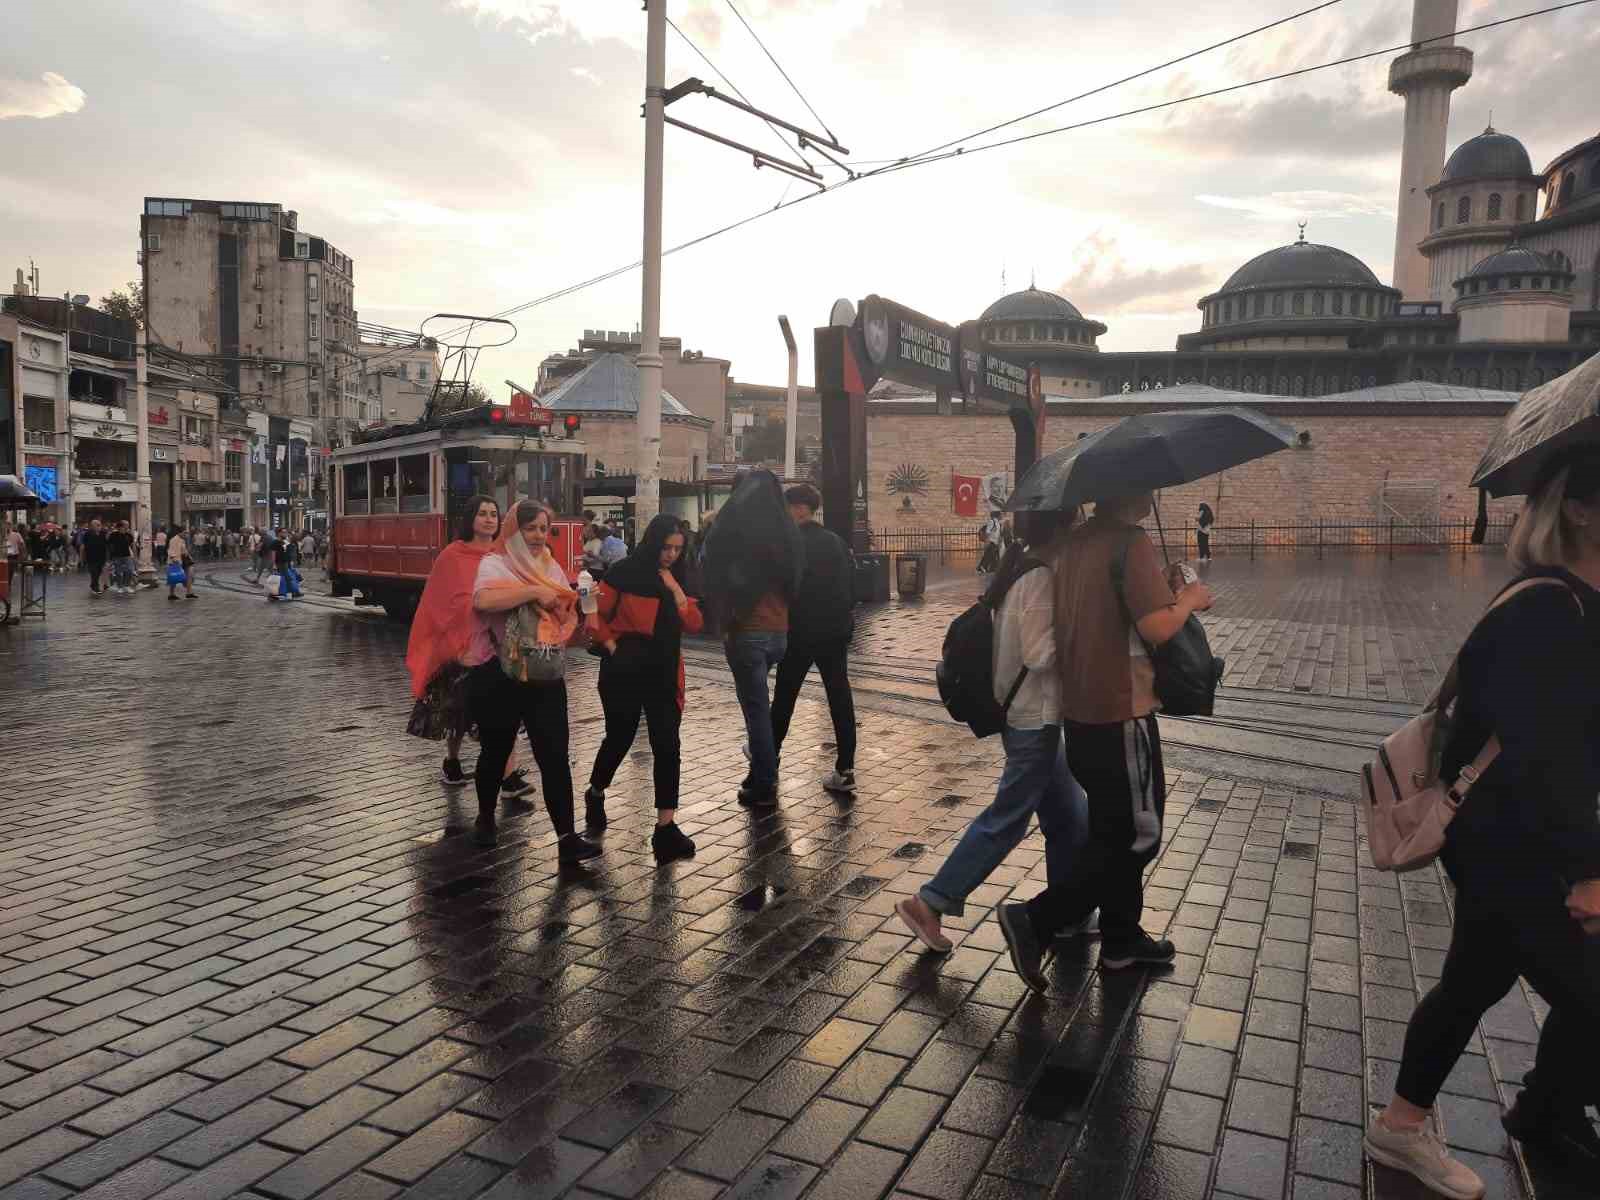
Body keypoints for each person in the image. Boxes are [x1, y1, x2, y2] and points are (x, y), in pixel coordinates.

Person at [1364, 448, 1600, 1200]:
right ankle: (1538, 1108)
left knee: (1472, 981)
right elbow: (1545, 756)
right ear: (1581, 510)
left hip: (1519, 841)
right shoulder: (1546, 609)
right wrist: (1590, 871)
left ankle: (1503, 1114)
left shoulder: (1577, 604)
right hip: (1516, 841)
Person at [996, 488, 1214, 987]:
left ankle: (1120, 940)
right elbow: (1158, 628)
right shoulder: (1128, 542)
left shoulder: (1073, 543)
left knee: (1111, 830)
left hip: (1081, 712)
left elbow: (1106, 613)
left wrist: (1163, 587)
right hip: (1123, 710)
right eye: (1148, 486)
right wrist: (1189, 600)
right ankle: (1036, 919)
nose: (1151, 495)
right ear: (1131, 487)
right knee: (1140, 834)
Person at [897, 511, 1091, 952]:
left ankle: (1067, 912)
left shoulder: (1022, 567)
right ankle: (931, 901)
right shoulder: (1039, 576)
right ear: (1058, 529)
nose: (1078, 530)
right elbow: (1042, 654)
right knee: (1007, 819)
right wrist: (1084, 635)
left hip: (1031, 717)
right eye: (1074, 523)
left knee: (1068, 816)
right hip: (1032, 719)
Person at [468, 499, 600, 860]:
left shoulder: (551, 566)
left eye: (544, 529)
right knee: (495, 751)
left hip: (544, 672)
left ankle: (567, 837)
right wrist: (531, 592)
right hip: (502, 673)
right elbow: (482, 601)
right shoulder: (495, 563)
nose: (539, 535)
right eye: (531, 528)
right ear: (514, 531)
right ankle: (484, 817)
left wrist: (574, 611)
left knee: (554, 755)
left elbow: (561, 612)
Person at [583, 512, 702, 864]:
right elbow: (592, 612)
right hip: (623, 670)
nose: (671, 555)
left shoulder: (677, 577)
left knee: (668, 743)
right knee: (620, 736)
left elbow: (694, 622)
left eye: (678, 549)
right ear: (653, 542)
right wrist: (612, 646)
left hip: (663, 671)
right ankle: (596, 790)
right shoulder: (622, 573)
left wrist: (676, 590)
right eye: (666, 547)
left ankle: (666, 827)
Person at [405, 496, 529, 796]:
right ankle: (452, 761)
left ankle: (508, 776)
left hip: (500, 645)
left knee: (505, 711)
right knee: (457, 715)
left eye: (493, 514)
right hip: (461, 647)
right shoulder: (452, 555)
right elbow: (439, 600)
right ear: (470, 518)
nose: (489, 519)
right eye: (482, 514)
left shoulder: (503, 554)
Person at [703, 470, 804, 808]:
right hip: (780, 632)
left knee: (756, 711)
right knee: (760, 708)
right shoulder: (787, 531)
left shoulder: (738, 532)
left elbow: (711, 567)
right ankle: (760, 770)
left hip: (748, 632)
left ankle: (764, 780)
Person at [769, 484, 858, 793]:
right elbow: (851, 584)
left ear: (796, 508)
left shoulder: (790, 544)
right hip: (834, 631)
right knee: (839, 697)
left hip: (800, 631)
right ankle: (845, 768)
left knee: (784, 696)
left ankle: (769, 761)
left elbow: (781, 587)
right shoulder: (835, 542)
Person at [166, 527, 197, 599]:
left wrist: (188, 555)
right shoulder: (173, 540)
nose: (186, 534)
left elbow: (184, 550)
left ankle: (189, 592)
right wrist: (175, 560)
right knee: (174, 577)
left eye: (186, 533)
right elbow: (171, 551)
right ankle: (171, 594)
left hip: (184, 561)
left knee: (189, 575)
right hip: (175, 561)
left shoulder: (182, 540)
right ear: (179, 532)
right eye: (184, 532)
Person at [270, 532, 303, 600]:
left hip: (286, 562)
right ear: (279, 533)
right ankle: (293, 593)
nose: (285, 534)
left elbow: (288, 552)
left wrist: (290, 561)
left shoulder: (284, 542)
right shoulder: (275, 542)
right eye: (284, 532)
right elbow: (273, 553)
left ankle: (275, 594)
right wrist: (274, 564)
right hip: (280, 563)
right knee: (286, 578)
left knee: (283, 578)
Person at [107, 520, 136, 594]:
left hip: (127, 555)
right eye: (126, 525)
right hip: (116, 556)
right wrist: (110, 557)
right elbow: (109, 545)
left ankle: (127, 585)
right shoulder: (113, 534)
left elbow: (132, 545)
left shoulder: (129, 535)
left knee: (130, 570)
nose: (128, 526)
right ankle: (120, 586)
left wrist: (134, 555)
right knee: (118, 572)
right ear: (121, 526)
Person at [81, 518, 109, 596]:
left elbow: (107, 544)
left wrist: (108, 556)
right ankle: (96, 587)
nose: (99, 526)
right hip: (91, 557)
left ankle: (93, 585)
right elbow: (83, 546)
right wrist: (82, 558)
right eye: (97, 525)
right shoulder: (87, 534)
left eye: (100, 525)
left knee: (99, 572)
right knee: (94, 572)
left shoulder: (103, 533)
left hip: (101, 557)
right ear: (92, 526)